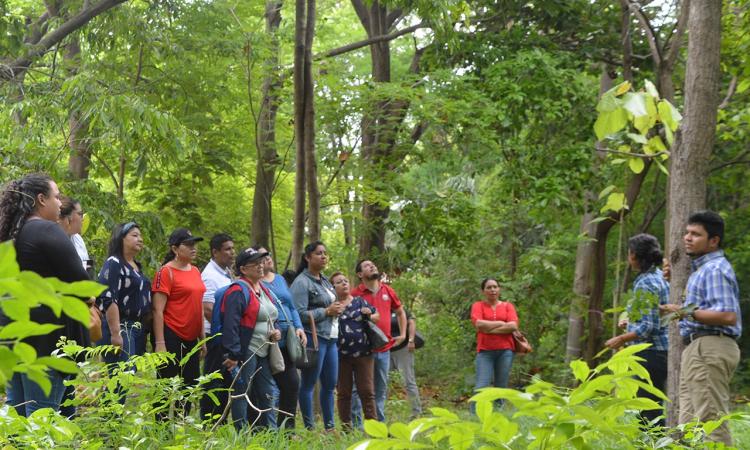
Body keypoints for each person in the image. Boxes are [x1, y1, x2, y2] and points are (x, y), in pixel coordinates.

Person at [0, 174, 91, 416]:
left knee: (17, 415)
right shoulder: (47, 229)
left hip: (11, 337)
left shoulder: (11, 235)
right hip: (45, 340)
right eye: (57, 196)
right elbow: (82, 283)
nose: (61, 204)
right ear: (41, 199)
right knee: (43, 417)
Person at [659, 211, 741, 446]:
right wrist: (673, 279)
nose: (687, 237)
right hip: (698, 348)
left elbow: (727, 315)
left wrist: (684, 311)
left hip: (710, 345)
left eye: (696, 234)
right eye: (687, 232)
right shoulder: (701, 271)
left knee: (710, 419)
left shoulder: (715, 269)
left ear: (713, 240)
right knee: (689, 421)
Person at [204, 247, 280, 430]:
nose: (261, 266)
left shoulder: (263, 289)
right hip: (246, 351)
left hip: (264, 349)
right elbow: (231, 324)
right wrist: (233, 354)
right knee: (241, 393)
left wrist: (276, 331)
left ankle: (271, 433)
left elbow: (269, 316)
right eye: (256, 264)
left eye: (262, 262)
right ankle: (241, 435)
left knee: (268, 392)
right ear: (244, 269)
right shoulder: (238, 291)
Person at [604, 234, 669, 427]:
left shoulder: (645, 282)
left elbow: (648, 327)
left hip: (650, 353)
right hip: (661, 351)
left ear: (633, 255)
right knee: (654, 404)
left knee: (648, 407)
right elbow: (654, 315)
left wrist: (622, 339)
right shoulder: (659, 276)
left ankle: (652, 444)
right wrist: (631, 324)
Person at [152, 228, 207, 417]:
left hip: (192, 337)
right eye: (189, 245)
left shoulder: (196, 270)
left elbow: (198, 306)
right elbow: (157, 310)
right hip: (171, 334)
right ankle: (160, 428)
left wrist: (202, 339)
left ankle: (180, 426)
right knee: (165, 385)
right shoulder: (166, 272)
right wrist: (160, 344)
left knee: (189, 385)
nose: (194, 248)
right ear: (175, 248)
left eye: (195, 244)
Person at [291, 241, 341, 431]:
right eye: (319, 253)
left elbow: (331, 305)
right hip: (314, 338)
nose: (323, 256)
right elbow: (298, 313)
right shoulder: (301, 282)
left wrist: (337, 309)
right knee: (309, 384)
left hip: (331, 338)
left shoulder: (326, 280)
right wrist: (326, 312)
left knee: (329, 384)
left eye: (325, 253)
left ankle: (330, 428)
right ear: (307, 257)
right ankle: (310, 427)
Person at [350, 260, 407, 424]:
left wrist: (403, 335)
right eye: (367, 266)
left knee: (380, 389)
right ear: (360, 274)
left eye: (373, 264)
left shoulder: (387, 290)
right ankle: (357, 425)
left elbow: (400, 312)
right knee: (358, 388)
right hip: (362, 350)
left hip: (383, 349)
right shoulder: (355, 294)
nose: (373, 266)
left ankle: (378, 424)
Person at [257, 246, 306, 430]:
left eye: (268, 254)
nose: (267, 258)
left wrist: (299, 327)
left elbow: (292, 307)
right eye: (262, 256)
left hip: (287, 341)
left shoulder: (279, 279)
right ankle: (263, 429)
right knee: (266, 389)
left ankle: (287, 429)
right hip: (268, 342)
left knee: (292, 384)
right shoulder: (254, 282)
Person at [97, 222, 152, 368]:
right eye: (134, 235)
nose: (140, 239)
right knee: (121, 380)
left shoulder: (137, 267)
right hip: (121, 327)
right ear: (121, 238)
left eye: (140, 236)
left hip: (137, 329)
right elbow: (108, 298)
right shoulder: (114, 263)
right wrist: (116, 333)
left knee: (129, 379)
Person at [331, 272, 380, 428]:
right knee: (344, 393)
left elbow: (377, 315)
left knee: (367, 391)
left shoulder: (359, 302)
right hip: (340, 356)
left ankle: (373, 428)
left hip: (364, 354)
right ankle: (346, 427)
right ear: (333, 287)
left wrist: (369, 315)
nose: (344, 283)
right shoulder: (332, 305)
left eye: (346, 281)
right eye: (339, 282)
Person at [470, 278, 518, 412]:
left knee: (500, 387)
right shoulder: (478, 305)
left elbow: (513, 326)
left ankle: (498, 416)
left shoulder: (508, 306)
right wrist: (503, 324)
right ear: (483, 291)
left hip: (505, 351)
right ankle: (474, 417)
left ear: (499, 289)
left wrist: (489, 329)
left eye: (495, 287)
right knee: (481, 386)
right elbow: (478, 324)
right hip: (485, 352)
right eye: (489, 287)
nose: (492, 290)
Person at [389, 306, 423, 419]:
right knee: (383, 383)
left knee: (408, 381)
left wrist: (411, 340)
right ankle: (384, 413)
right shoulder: (378, 309)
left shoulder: (399, 309)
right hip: (385, 350)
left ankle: (416, 412)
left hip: (402, 349)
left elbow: (411, 323)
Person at [201, 234, 235, 339]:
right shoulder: (210, 276)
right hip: (214, 334)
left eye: (233, 248)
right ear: (215, 252)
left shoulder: (225, 271)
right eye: (228, 249)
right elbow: (207, 309)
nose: (233, 252)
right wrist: (225, 331)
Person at [58, 196, 92, 275]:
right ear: (68, 217)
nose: (82, 218)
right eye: (80, 214)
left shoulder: (78, 239)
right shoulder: (54, 239)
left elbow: (88, 268)